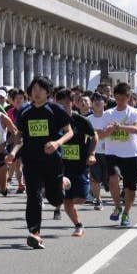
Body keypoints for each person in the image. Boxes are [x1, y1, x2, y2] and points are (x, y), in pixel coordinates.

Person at [7, 76, 73, 249]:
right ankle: (34, 233)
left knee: (55, 199)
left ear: (48, 92)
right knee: (33, 196)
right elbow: (20, 136)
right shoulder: (24, 112)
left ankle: (61, 185)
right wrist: (13, 149)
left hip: (52, 161)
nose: (36, 93)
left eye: (40, 89)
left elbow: (69, 132)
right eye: (33, 89)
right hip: (31, 161)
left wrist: (57, 143)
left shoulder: (55, 109)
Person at [99, 83, 137, 227]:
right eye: (117, 98)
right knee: (113, 179)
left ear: (128, 97)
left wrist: (120, 127)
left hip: (131, 154)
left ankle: (126, 213)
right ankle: (117, 205)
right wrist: (109, 131)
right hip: (112, 153)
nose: (119, 101)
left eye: (122, 98)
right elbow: (100, 134)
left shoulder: (135, 112)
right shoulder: (108, 114)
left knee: (130, 187)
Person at [55, 89, 98, 237]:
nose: (63, 107)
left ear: (72, 104)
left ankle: (68, 193)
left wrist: (91, 154)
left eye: (66, 104)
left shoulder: (80, 120)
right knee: (67, 201)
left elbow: (95, 137)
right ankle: (78, 225)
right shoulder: (53, 121)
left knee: (80, 198)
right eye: (60, 105)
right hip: (61, 165)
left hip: (80, 165)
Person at [87, 92, 108, 210]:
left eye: (100, 100)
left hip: (109, 153)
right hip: (94, 153)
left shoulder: (110, 116)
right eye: (95, 100)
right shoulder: (88, 119)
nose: (97, 102)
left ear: (104, 102)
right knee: (94, 179)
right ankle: (98, 201)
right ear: (91, 104)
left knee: (109, 179)